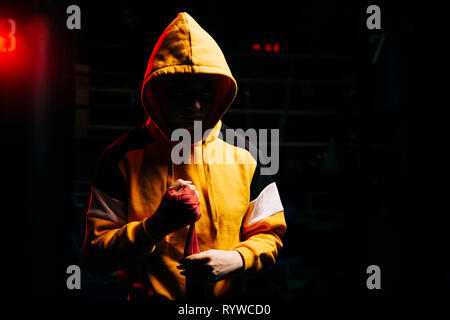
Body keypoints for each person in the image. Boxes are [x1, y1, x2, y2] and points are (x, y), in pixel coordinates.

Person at [82, 12, 287, 300]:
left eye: (204, 92)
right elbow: (95, 256)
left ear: (219, 93)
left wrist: (238, 259)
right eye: (181, 93)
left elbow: (270, 236)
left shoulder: (249, 155)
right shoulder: (120, 158)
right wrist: (154, 227)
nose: (195, 104)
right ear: (157, 92)